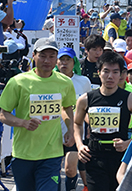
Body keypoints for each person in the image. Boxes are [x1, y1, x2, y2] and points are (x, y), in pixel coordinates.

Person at [0, 38, 77, 191]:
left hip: (52, 153)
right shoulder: (18, 82)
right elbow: (3, 114)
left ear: (56, 59)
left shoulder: (65, 82)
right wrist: (23, 123)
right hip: (24, 153)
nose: (47, 60)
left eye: (51, 56)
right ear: (34, 56)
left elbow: (67, 108)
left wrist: (70, 130)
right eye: (42, 56)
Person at [74, 51, 132, 191]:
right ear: (99, 72)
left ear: (121, 75)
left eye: (115, 72)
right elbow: (77, 123)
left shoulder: (130, 99)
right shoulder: (86, 99)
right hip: (94, 155)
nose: (110, 76)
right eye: (106, 71)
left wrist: (128, 143)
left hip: (120, 158)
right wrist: (79, 145)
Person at [57, 47, 92, 191]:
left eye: (68, 60)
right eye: (61, 60)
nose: (64, 63)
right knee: (54, 171)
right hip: (53, 132)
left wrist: (90, 126)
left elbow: (89, 107)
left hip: (76, 133)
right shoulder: (50, 80)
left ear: (74, 62)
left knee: (70, 169)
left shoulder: (83, 81)